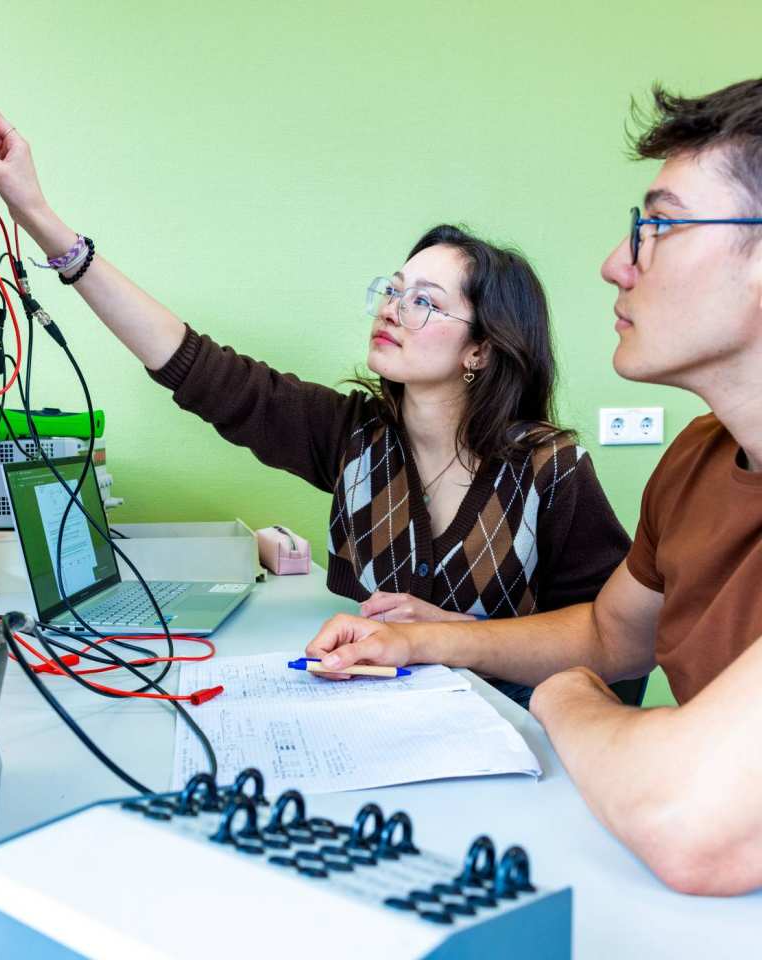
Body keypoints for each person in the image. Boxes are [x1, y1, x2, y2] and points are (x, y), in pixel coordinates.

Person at [0, 111, 629, 709]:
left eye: (422, 299)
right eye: (391, 290)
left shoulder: (551, 470)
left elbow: (620, 648)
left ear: (481, 349)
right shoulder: (356, 440)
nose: (391, 307)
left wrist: (457, 639)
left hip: (522, 746)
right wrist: (41, 220)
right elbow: (197, 369)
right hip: (380, 726)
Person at [305, 78, 762, 896]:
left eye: (656, 224)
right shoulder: (697, 459)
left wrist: (567, 699)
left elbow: (691, 825)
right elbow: (609, 635)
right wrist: (423, 639)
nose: (616, 263)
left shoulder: (549, 465)